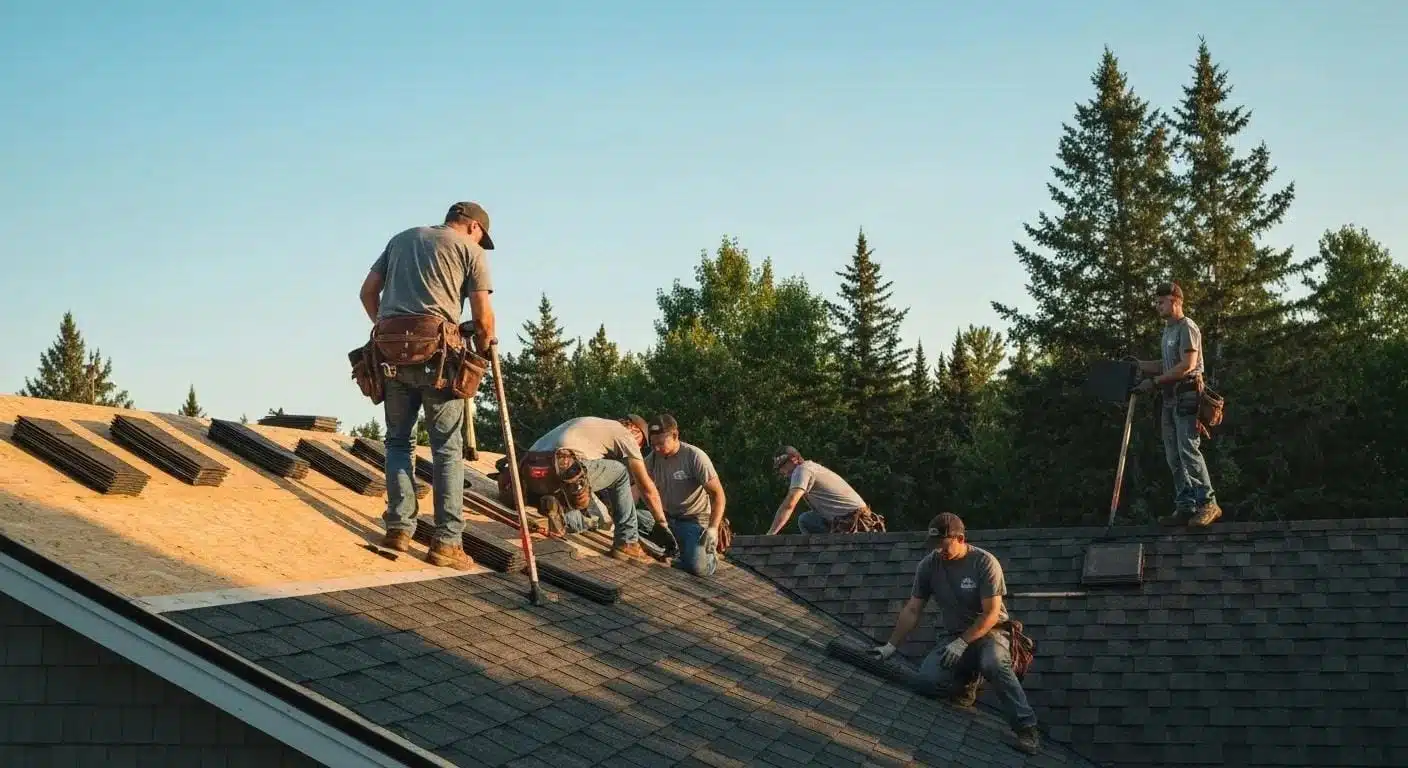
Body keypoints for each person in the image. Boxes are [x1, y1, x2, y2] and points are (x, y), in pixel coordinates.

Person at [358, 201, 497, 571]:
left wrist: (386, 328)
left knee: (397, 442)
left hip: (391, 357)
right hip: (439, 359)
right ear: (474, 228)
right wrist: (485, 346)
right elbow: (483, 317)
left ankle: (398, 530)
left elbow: (367, 292)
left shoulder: (400, 240)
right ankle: (447, 542)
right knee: (447, 451)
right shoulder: (470, 251)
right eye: (482, 238)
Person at [869, 513, 1041, 755]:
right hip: (954, 636)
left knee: (993, 663)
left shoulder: (984, 562)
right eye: (935, 545)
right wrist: (890, 646)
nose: (939, 551)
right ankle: (966, 684)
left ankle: (1026, 728)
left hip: (991, 633)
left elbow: (991, 613)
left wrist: (962, 643)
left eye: (944, 545)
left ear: (960, 538)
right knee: (925, 682)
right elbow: (913, 609)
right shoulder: (929, 565)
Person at [526, 415, 676, 563]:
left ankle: (554, 513)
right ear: (635, 431)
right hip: (565, 467)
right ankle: (627, 541)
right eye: (641, 443)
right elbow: (645, 487)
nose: (639, 448)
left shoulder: (594, 426)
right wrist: (661, 523)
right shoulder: (625, 434)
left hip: (531, 470)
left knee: (584, 501)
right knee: (620, 472)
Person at [1133, 281, 1222, 528]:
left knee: (1188, 450)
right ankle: (1186, 506)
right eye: (1157, 302)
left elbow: (1187, 365)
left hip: (1187, 396)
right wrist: (1139, 365)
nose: (1157, 306)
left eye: (1161, 302)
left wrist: (1154, 382)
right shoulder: (1168, 331)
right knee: (1174, 455)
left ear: (1175, 301)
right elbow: (1167, 365)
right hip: (1169, 399)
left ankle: (1208, 503)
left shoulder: (1186, 327)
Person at [644, 414, 726, 577]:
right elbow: (637, 489)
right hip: (665, 520)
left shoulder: (694, 456)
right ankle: (674, 549)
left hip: (693, 521)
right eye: (653, 445)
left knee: (698, 567)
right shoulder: (651, 460)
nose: (657, 449)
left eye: (661, 443)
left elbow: (718, 495)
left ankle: (707, 556)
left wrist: (713, 528)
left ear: (675, 436)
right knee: (633, 520)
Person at [765, 446, 869, 535]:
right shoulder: (812, 467)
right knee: (808, 518)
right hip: (859, 518)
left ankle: (826, 552)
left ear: (794, 459)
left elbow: (790, 504)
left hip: (853, 520)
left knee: (806, 521)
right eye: (778, 468)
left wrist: (770, 535)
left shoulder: (802, 470)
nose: (781, 471)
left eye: (782, 465)